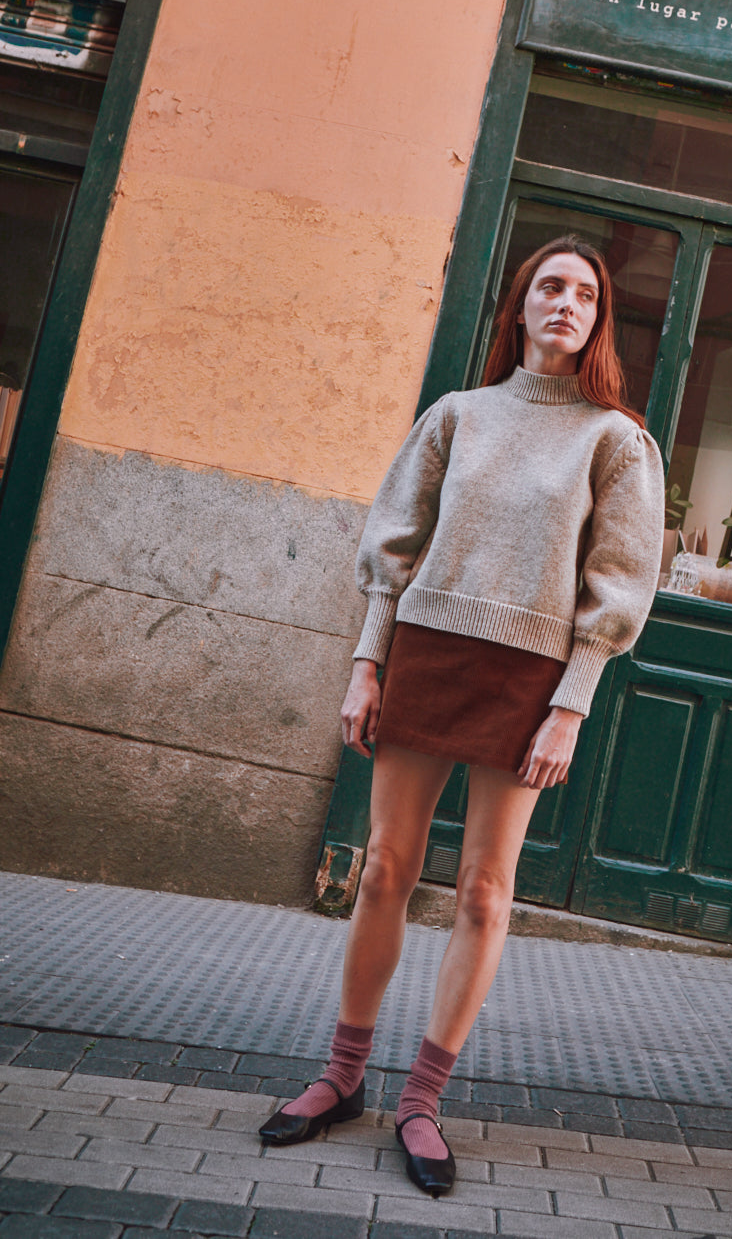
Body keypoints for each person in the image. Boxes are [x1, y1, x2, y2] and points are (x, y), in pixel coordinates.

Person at [259, 237, 665, 1197]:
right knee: (384, 871)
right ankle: (342, 1077)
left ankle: (423, 1101)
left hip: (530, 679)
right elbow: (394, 546)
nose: (566, 303)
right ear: (519, 308)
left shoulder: (615, 440)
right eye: (548, 287)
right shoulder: (458, 415)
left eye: (585, 295)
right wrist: (367, 664)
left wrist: (570, 706)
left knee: (486, 891)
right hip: (429, 654)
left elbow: (617, 588)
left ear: (601, 320)